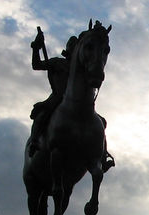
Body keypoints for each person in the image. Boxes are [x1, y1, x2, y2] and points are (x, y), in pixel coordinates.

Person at [29, 27, 115, 171]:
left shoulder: (82, 68)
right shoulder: (58, 63)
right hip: (57, 98)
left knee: (101, 122)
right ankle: (35, 141)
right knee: (42, 114)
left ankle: (102, 156)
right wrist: (36, 47)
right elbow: (36, 65)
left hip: (79, 103)